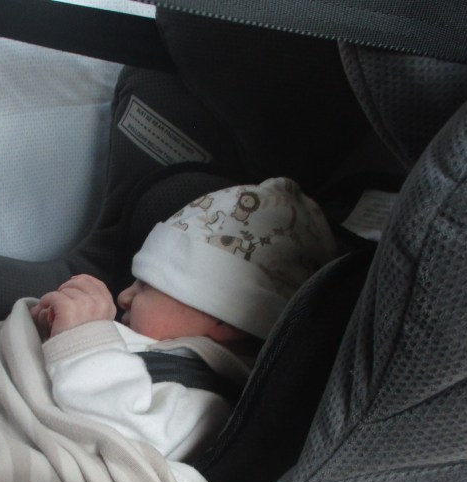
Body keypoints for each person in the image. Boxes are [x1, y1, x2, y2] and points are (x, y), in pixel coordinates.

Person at [30, 177, 337, 463]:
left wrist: (82, 340)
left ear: (225, 320)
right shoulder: (154, 344)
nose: (124, 296)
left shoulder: (207, 401)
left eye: (146, 285)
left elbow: (135, 441)